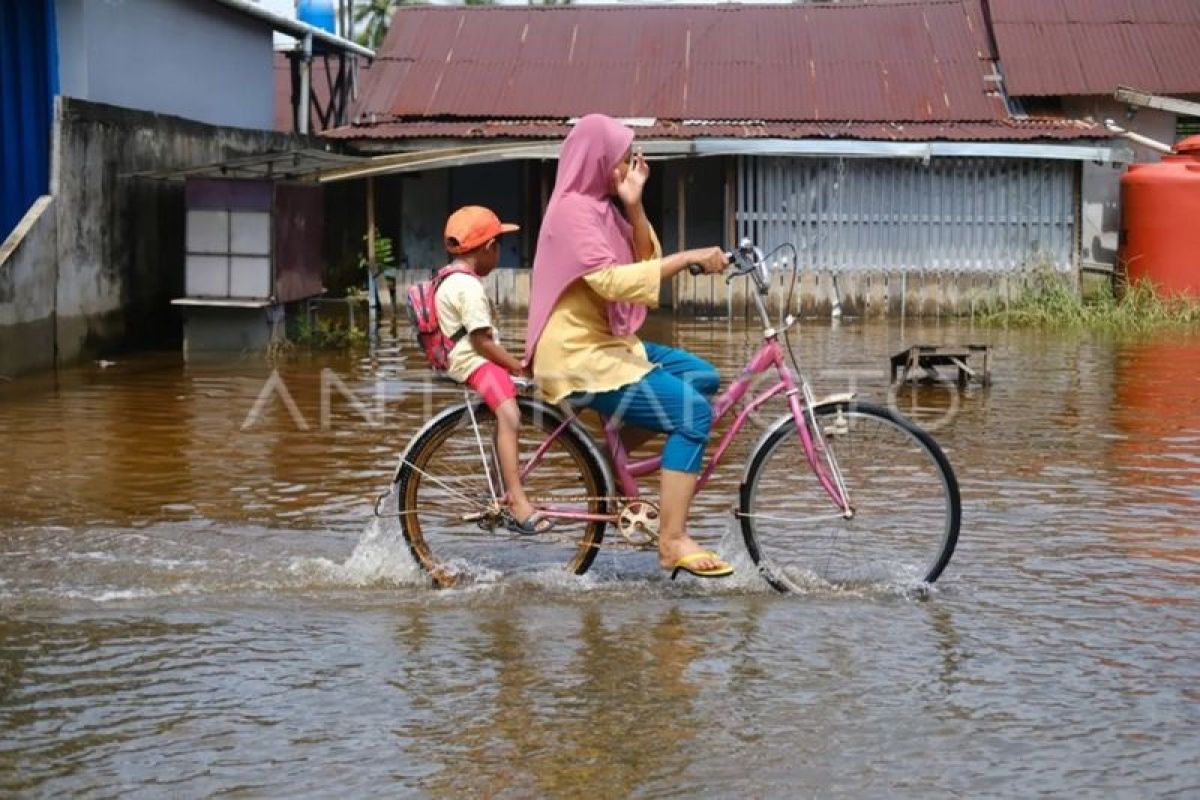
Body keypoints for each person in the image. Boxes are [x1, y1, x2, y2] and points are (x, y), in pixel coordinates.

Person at [525, 114, 732, 579]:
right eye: (621, 159)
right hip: (578, 356)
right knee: (693, 415)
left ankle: (603, 457)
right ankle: (672, 541)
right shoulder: (571, 211)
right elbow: (613, 281)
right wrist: (690, 256)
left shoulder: (603, 209)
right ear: (597, 159)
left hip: (609, 345)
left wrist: (635, 206)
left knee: (705, 379)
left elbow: (643, 260)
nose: (627, 167)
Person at [436, 205, 551, 535]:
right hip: (475, 362)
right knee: (510, 416)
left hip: (466, 359)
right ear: (487, 248)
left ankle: (503, 485)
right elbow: (483, 342)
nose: (500, 252)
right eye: (498, 245)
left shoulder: (450, 278)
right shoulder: (468, 287)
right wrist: (519, 366)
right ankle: (517, 500)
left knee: (505, 416)